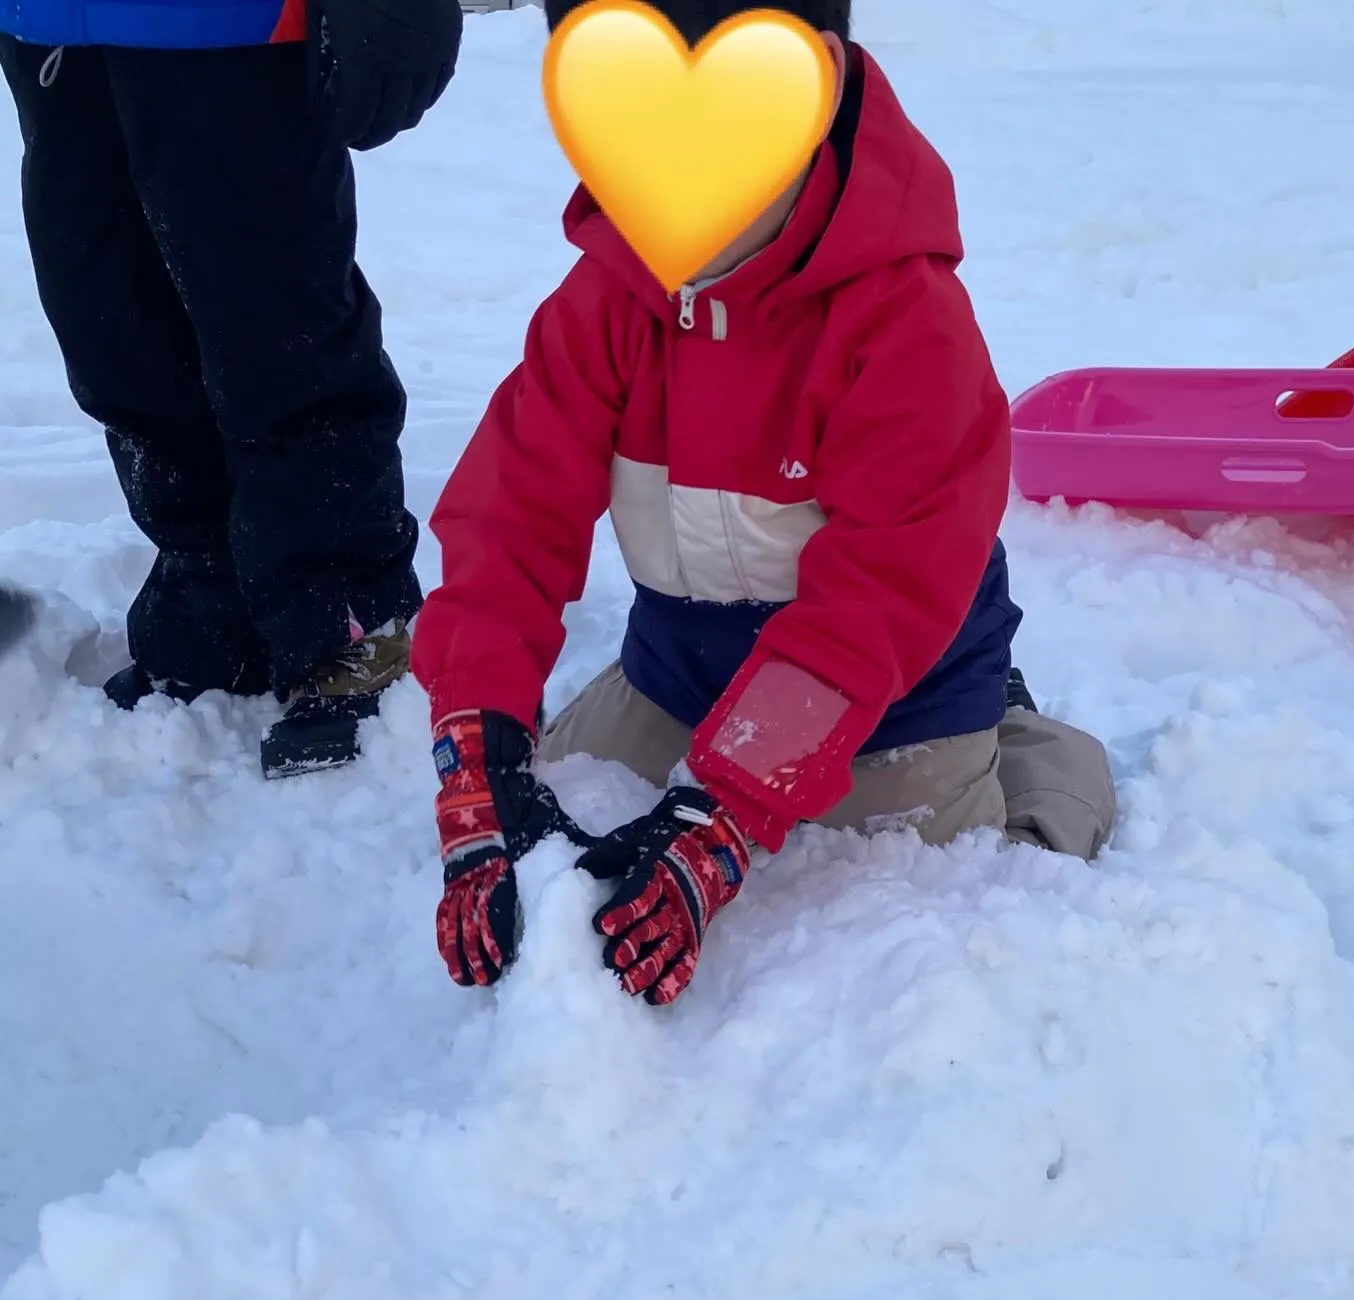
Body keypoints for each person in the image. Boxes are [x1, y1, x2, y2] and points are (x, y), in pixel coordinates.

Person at [413, 0, 1116, 1005]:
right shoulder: (607, 302)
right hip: (681, 675)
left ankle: (1029, 748)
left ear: (813, 85)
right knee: (565, 788)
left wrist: (726, 816)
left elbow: (873, 600)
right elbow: (509, 519)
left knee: (918, 880)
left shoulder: (907, 325)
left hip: (888, 696)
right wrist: (477, 758)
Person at [0, 0, 461, 777]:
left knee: (273, 325)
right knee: (113, 323)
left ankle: (350, 611)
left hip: (231, 23)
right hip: (47, 24)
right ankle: (210, 585)